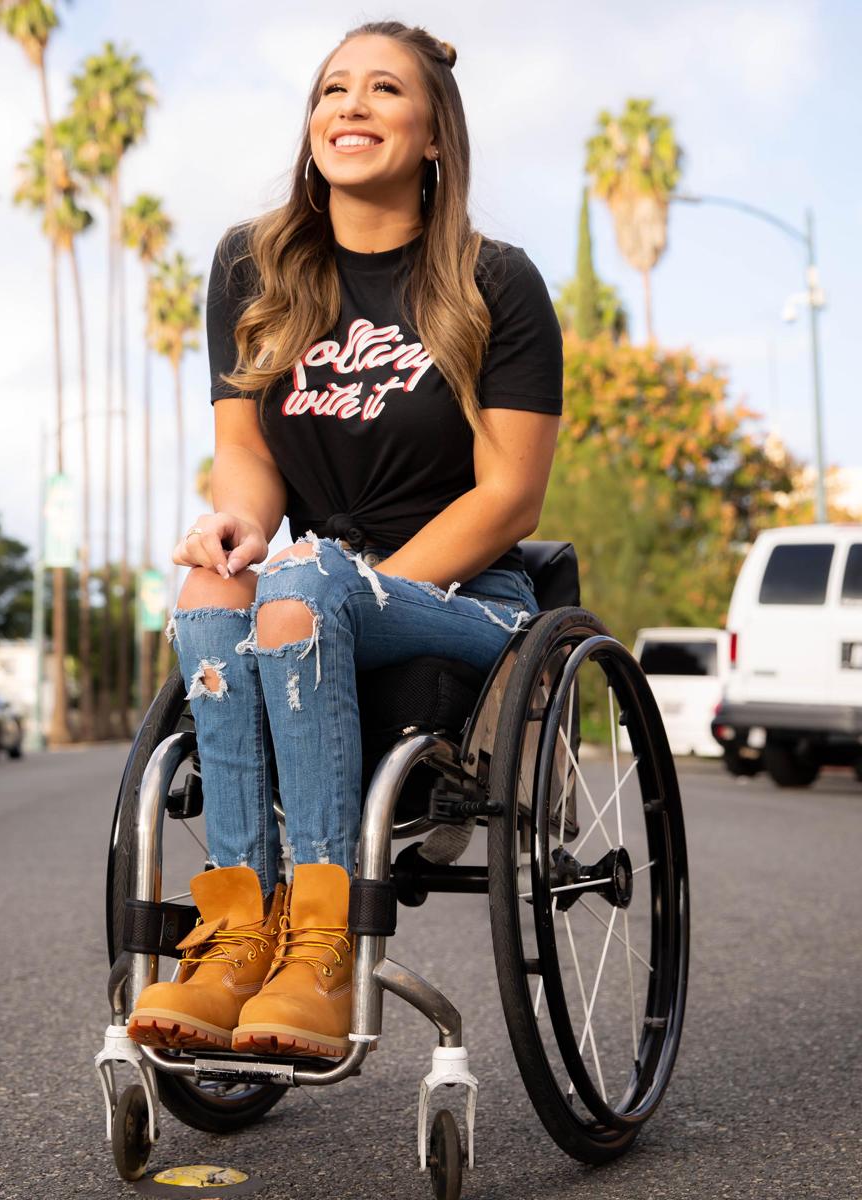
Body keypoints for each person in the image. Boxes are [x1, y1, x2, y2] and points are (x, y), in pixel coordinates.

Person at [127, 20, 562, 1059]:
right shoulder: (256, 264)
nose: (350, 107)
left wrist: (341, 588)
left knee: (300, 579)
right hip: (305, 594)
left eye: (382, 90)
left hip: (468, 603)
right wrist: (236, 524)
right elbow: (247, 454)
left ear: (434, 138)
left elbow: (510, 498)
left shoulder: (495, 282)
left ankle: (321, 956)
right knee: (211, 587)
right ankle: (236, 936)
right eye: (332, 90)